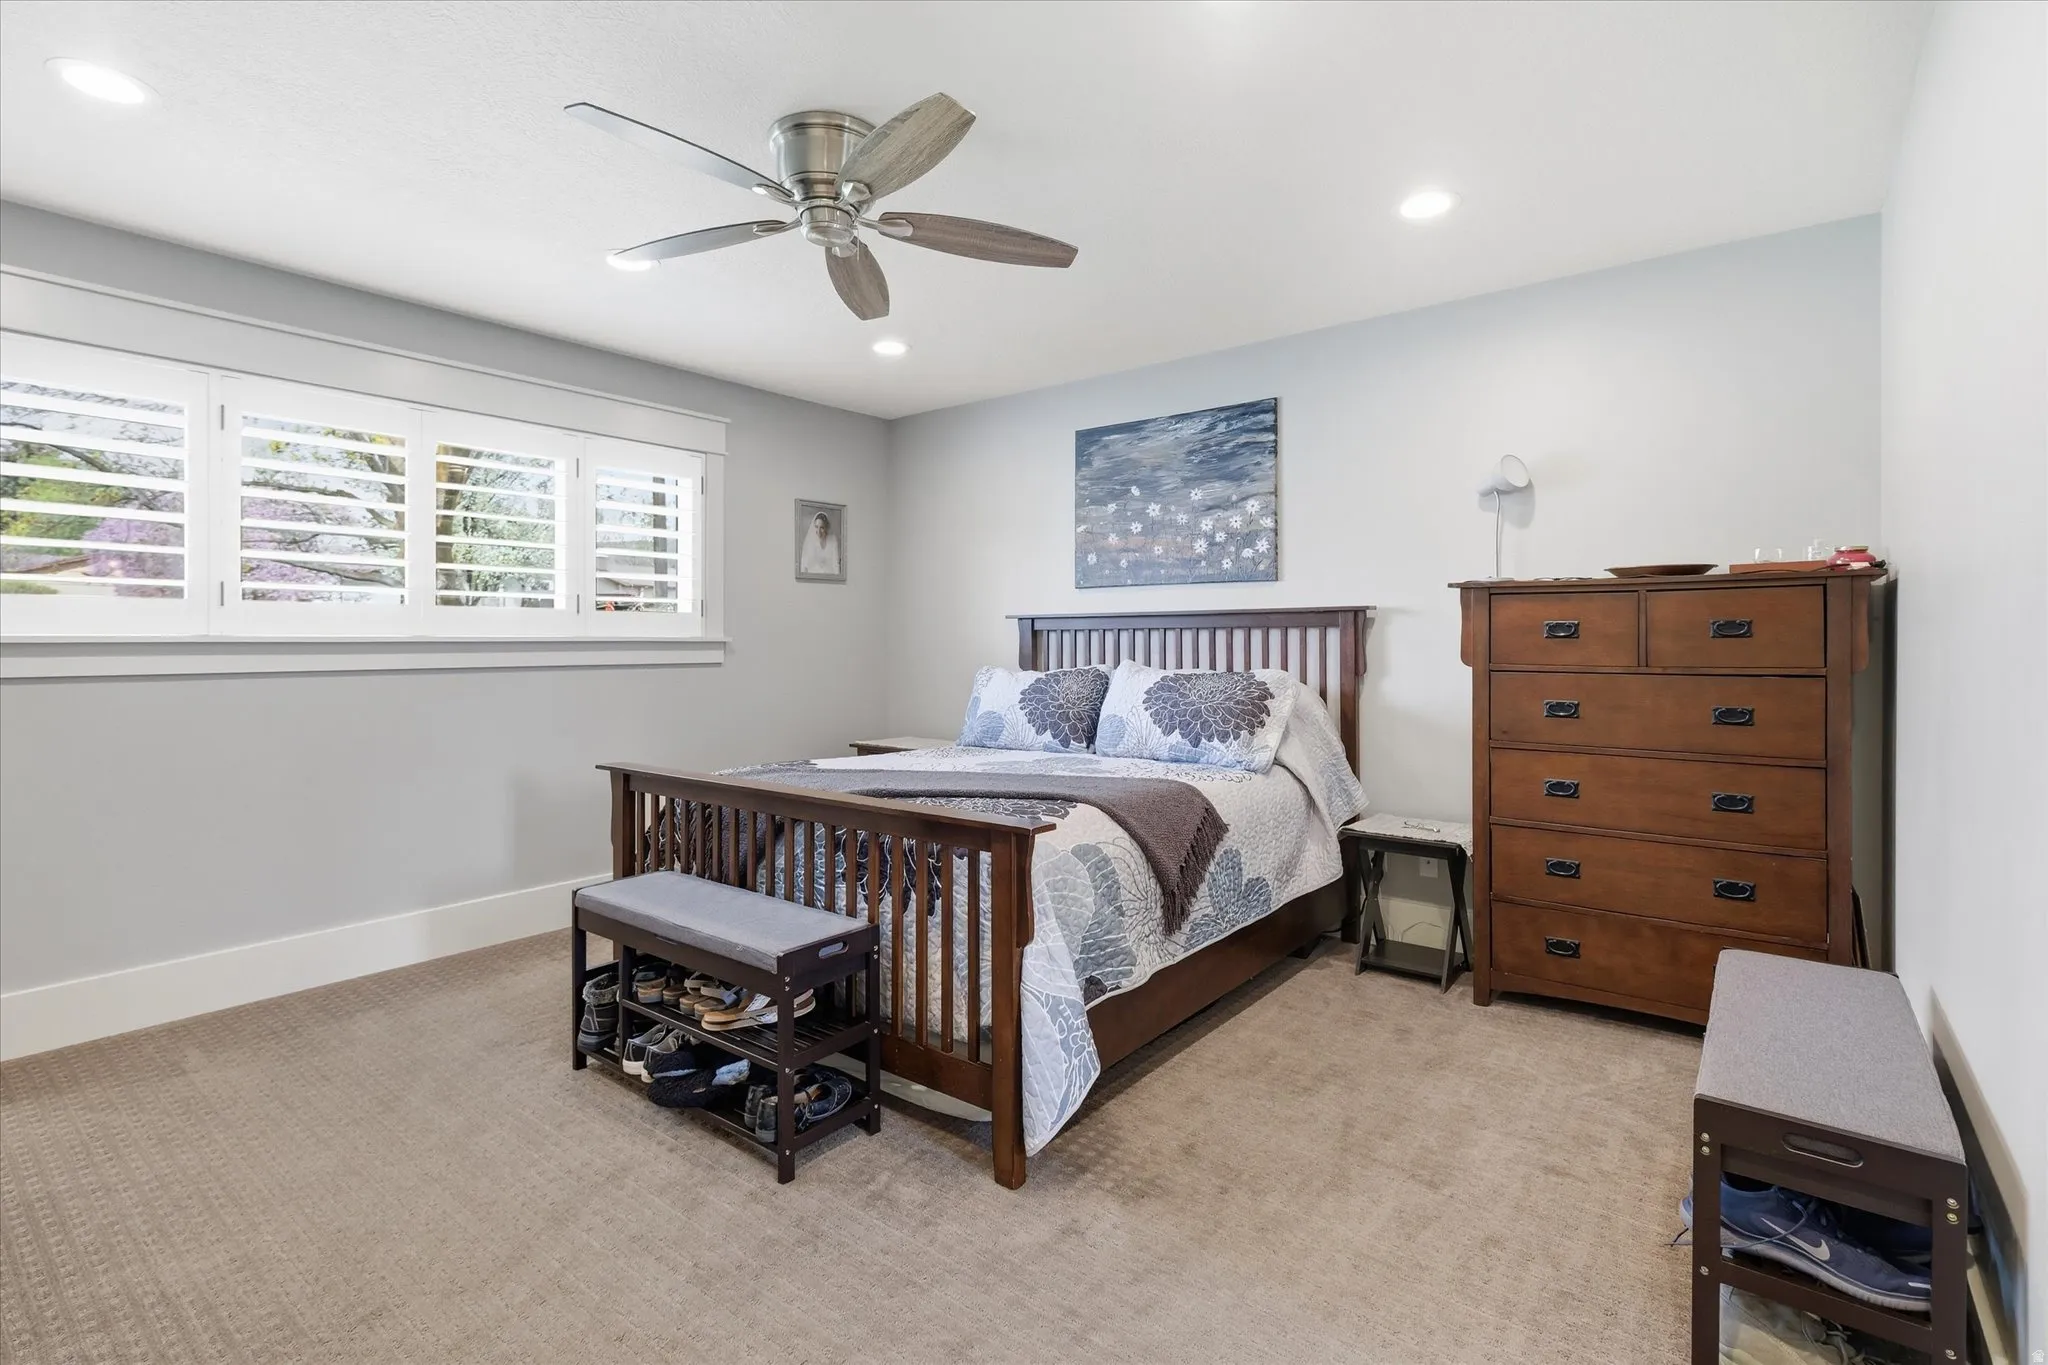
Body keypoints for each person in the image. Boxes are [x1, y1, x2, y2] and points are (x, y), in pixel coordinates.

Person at [799, 510, 840, 577]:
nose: (818, 531)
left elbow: (836, 564)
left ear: (826, 528)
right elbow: (804, 566)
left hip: (830, 578)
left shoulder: (833, 540)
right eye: (816, 527)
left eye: (822, 528)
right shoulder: (810, 542)